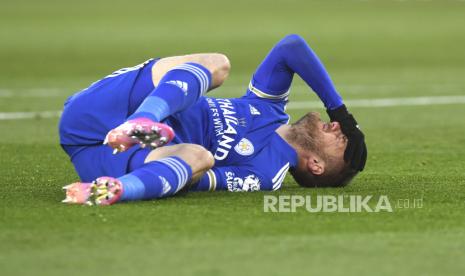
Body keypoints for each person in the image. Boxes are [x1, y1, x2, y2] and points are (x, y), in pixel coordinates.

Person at [59, 34, 367, 205]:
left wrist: (160, 175)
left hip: (112, 158)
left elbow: (199, 182)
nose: (337, 127)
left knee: (200, 157)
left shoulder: (266, 173)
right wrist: (340, 110)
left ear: (316, 165)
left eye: (340, 139)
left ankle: (115, 190)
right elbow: (291, 47)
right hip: (99, 110)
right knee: (217, 64)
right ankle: (143, 121)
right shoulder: (270, 108)